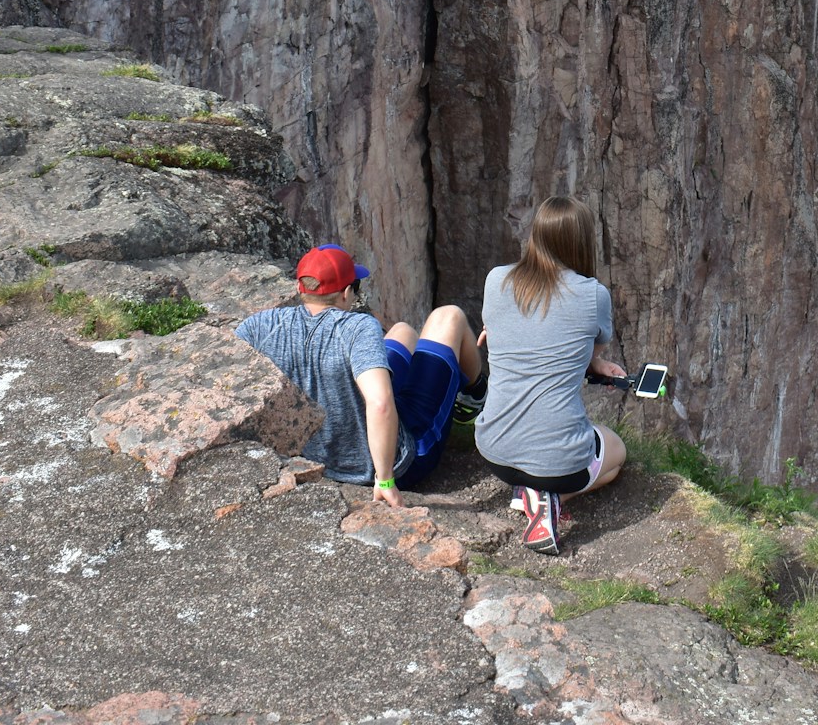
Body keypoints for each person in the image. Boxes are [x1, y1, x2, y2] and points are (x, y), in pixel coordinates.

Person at [235, 244, 485, 505]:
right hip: (390, 462)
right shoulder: (358, 327)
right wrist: (385, 479)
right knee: (449, 316)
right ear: (346, 293)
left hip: (313, 459)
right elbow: (379, 403)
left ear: (301, 288)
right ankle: (474, 396)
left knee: (403, 332)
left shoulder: (260, 325)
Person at [474, 196, 627, 554]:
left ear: (536, 235)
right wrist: (596, 363)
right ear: (581, 241)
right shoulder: (593, 295)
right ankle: (550, 499)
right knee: (616, 455)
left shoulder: (496, 280)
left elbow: (503, 330)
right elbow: (592, 346)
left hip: (494, 451)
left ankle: (527, 492)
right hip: (559, 466)